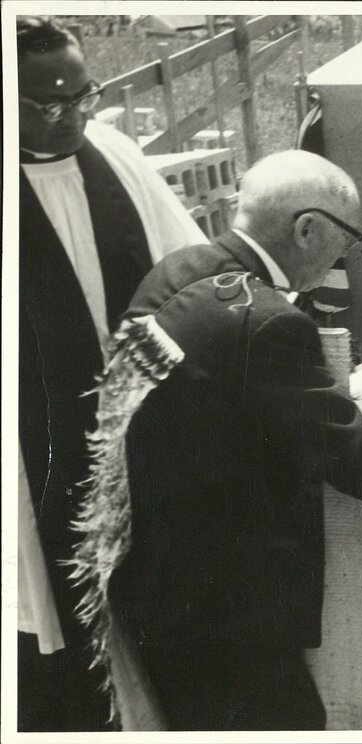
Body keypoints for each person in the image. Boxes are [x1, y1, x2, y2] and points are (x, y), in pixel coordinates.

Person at [70, 150, 362, 730]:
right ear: (307, 228)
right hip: (227, 612)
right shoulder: (270, 321)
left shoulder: (180, 270)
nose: (344, 255)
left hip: (164, 582)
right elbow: (359, 464)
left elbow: (223, 406)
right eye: (346, 239)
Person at [16, 16, 207, 731]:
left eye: (83, 95)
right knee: (57, 618)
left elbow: (189, 266)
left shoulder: (115, 154)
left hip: (142, 427)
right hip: (32, 447)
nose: (71, 116)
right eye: (46, 103)